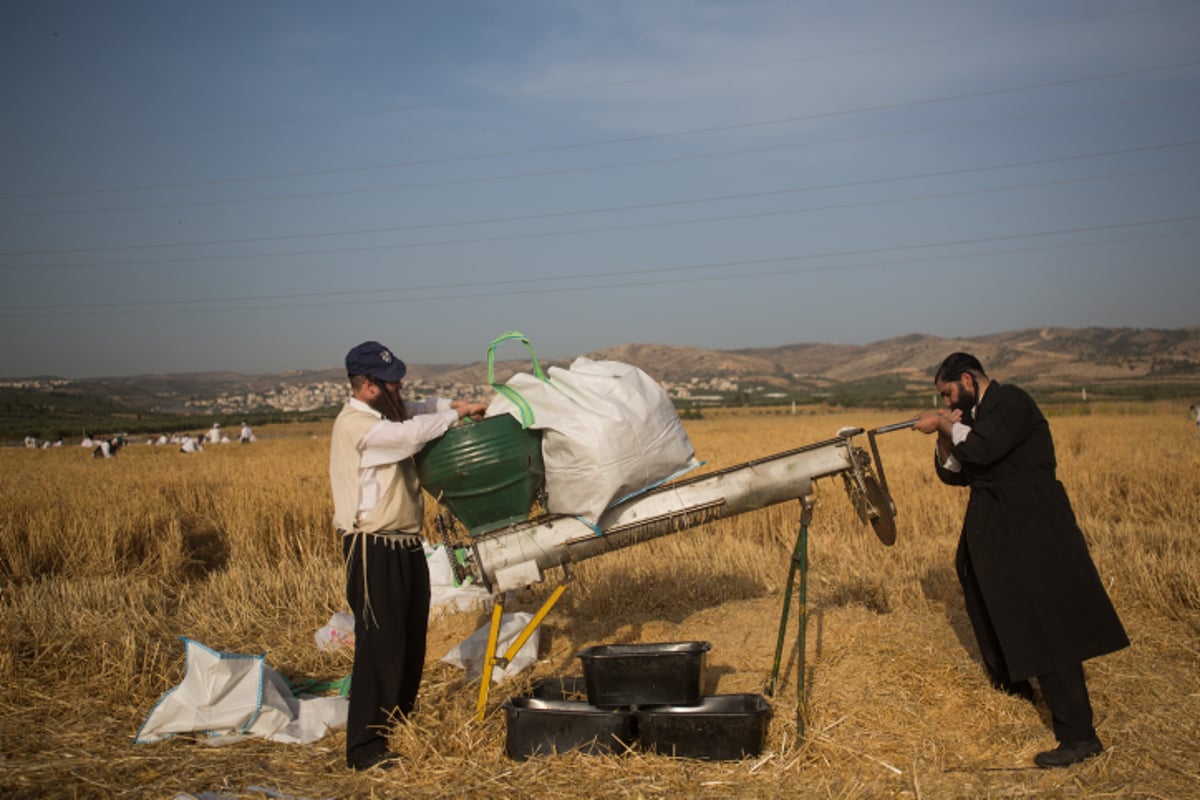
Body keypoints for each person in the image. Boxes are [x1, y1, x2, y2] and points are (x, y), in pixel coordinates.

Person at [914, 352, 1129, 769]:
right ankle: (1015, 685)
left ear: (967, 379)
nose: (945, 402)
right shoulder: (976, 413)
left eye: (947, 393)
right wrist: (944, 432)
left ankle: (1080, 737)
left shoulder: (1010, 401)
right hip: (997, 525)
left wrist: (944, 423)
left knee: (1049, 622)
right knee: (987, 598)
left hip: (1034, 527)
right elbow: (956, 471)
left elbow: (982, 448)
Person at [329, 340, 487, 771]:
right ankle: (364, 749)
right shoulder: (358, 427)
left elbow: (419, 408)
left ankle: (397, 724)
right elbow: (410, 435)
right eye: (392, 380)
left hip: (404, 543)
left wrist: (459, 404)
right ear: (367, 386)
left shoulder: (385, 408)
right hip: (372, 547)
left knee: (410, 638)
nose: (400, 385)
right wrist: (455, 415)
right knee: (379, 645)